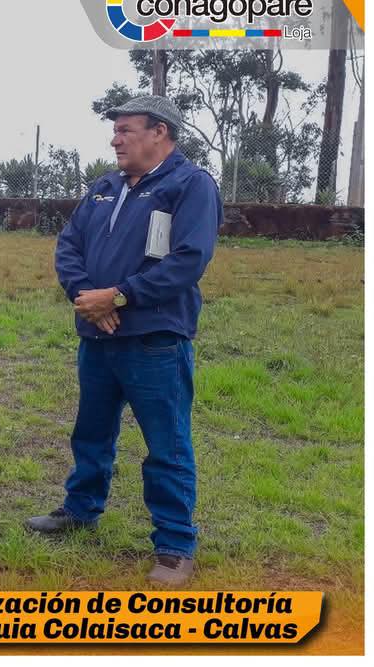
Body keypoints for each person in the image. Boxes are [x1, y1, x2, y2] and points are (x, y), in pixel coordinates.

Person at [27, 96, 224, 586]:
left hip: (155, 340)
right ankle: (80, 510)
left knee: (166, 445)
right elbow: (69, 245)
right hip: (98, 336)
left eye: (126, 130)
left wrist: (118, 297)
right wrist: (86, 297)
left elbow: (188, 261)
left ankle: (175, 546)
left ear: (160, 132)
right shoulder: (104, 187)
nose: (114, 139)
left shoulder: (190, 186)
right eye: (115, 131)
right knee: (91, 433)